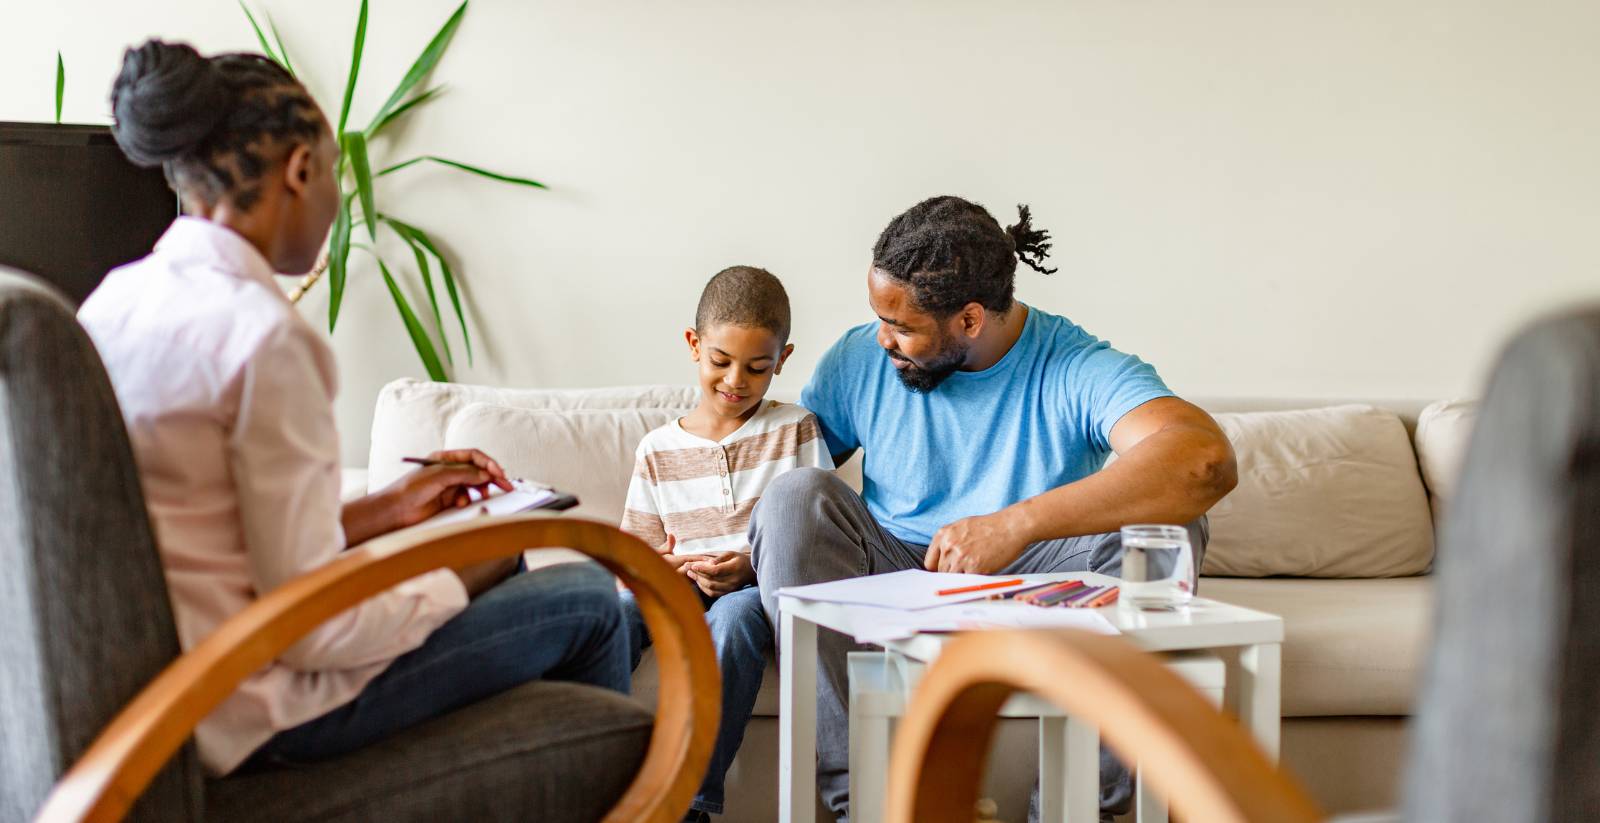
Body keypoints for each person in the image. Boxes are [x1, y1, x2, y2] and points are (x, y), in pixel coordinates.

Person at [78, 40, 630, 777]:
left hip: (161, 698)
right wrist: (465, 571)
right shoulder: (262, 337)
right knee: (590, 598)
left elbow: (221, 540)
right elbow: (313, 632)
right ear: (300, 171)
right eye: (335, 169)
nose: (338, 195)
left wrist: (389, 509)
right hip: (252, 710)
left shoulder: (114, 300)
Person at [749, 196, 1239, 821]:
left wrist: (1016, 522)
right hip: (896, 567)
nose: (882, 337)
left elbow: (1203, 461)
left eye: (902, 326)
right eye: (878, 315)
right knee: (792, 497)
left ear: (971, 319)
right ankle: (871, 808)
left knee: (1165, 523)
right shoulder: (859, 359)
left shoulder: (1074, 364)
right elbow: (781, 471)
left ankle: (1078, 812)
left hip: (1040, 583)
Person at [618, 266, 832, 822]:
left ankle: (688, 803)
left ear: (782, 360)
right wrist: (661, 568)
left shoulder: (796, 430)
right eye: (721, 362)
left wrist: (750, 568)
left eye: (758, 368)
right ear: (694, 346)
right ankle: (599, 774)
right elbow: (632, 559)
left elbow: (817, 536)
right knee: (614, 613)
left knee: (733, 621)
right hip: (680, 587)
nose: (736, 380)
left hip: (753, 590)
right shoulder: (656, 449)